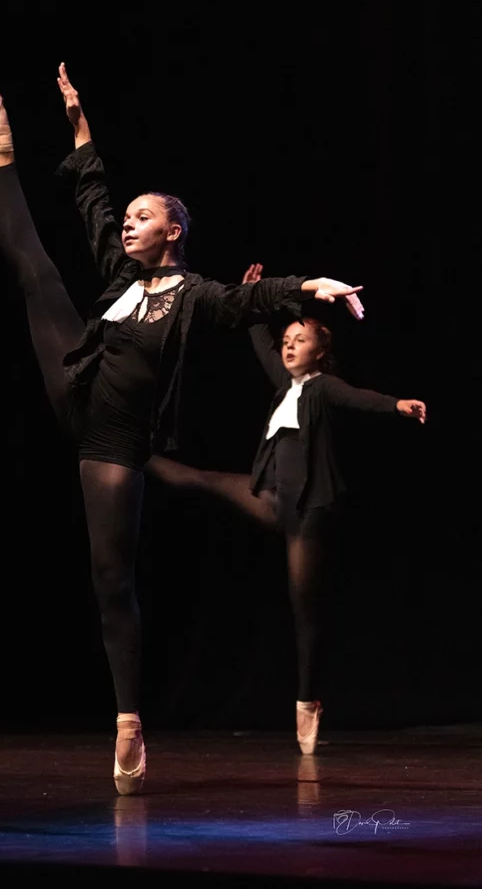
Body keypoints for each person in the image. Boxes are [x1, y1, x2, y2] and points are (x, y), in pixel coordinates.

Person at [0, 66, 364, 793]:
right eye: (130, 216)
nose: (128, 223)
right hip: (76, 386)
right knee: (36, 271)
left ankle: (127, 720)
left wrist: (311, 285)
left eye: (142, 217)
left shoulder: (196, 295)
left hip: (112, 440)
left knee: (111, 578)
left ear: (172, 232)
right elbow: (93, 198)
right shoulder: (121, 276)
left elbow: (250, 301)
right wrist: (80, 127)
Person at [148, 262, 426, 754]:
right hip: (271, 498)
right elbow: (260, 341)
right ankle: (127, 451)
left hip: (308, 510)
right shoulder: (285, 386)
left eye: (301, 339)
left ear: (320, 351)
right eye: (288, 340)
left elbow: (358, 398)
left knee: (305, 609)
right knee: (201, 479)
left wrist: (397, 404)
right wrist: (252, 298)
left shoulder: (321, 386)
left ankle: (307, 699)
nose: (290, 345)